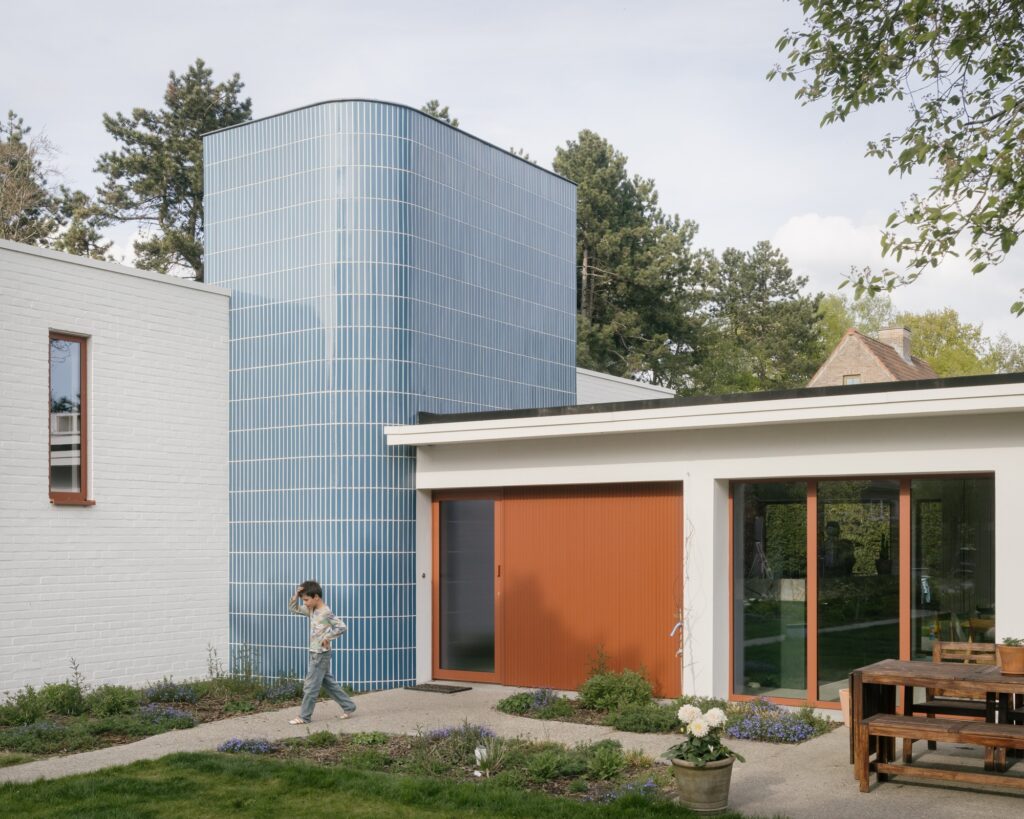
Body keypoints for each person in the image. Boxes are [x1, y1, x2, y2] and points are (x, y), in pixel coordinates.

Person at [287, 580, 356, 724]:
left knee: (310, 685)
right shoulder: (311, 610)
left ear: (316, 597)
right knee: (328, 683)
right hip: (314, 652)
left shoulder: (326, 612)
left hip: (320, 654)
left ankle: (304, 717)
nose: (304, 603)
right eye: (303, 600)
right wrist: (295, 595)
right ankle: (349, 706)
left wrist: (328, 637)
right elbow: (294, 609)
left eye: (306, 599)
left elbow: (342, 627)